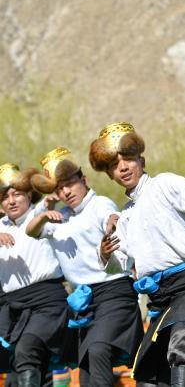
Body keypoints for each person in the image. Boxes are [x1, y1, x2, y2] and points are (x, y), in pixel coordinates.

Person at [91, 122, 185, 387]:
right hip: (159, 300)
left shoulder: (163, 184)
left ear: (141, 160)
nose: (123, 167)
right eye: (115, 165)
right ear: (110, 175)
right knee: (148, 374)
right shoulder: (125, 216)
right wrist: (105, 255)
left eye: (128, 159)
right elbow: (121, 265)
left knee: (183, 341)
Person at [24, 147, 143, 387]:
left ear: (84, 180)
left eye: (70, 184)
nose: (66, 192)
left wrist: (112, 222)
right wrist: (44, 215)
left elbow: (110, 216)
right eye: (60, 188)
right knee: (86, 369)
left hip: (114, 294)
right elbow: (31, 231)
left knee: (98, 349)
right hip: (85, 301)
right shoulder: (61, 217)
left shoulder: (99, 204)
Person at [0, 164, 71, 387]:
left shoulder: (39, 214)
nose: (11, 201)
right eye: (5, 197)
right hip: (13, 306)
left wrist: (49, 206)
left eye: (17, 194)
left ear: (29, 195)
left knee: (26, 351)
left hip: (47, 302)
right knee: (26, 365)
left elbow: (47, 208)